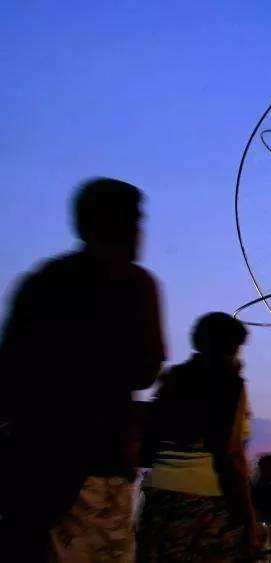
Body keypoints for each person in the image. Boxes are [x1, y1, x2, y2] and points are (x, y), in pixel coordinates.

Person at [0, 178, 166, 560]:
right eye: (136, 221)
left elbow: (8, 374)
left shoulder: (41, 281)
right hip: (98, 464)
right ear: (120, 225)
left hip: (38, 464)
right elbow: (146, 369)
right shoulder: (134, 283)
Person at [137, 312, 256, 560]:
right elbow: (232, 455)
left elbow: (149, 442)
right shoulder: (232, 385)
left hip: (159, 499)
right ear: (231, 347)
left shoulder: (171, 378)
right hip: (207, 501)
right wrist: (248, 518)